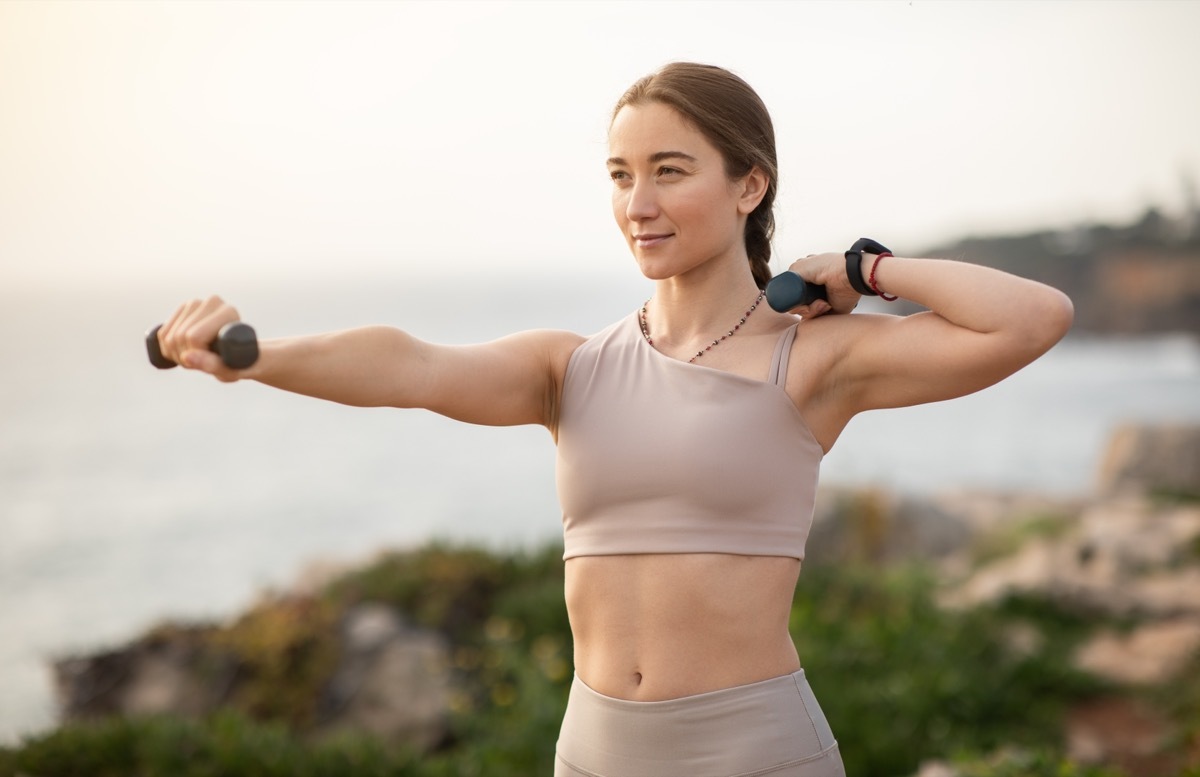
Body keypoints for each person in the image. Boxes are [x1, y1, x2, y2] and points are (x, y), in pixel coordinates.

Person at [155, 62, 1074, 777]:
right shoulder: (572, 366)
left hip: (751, 750)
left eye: (670, 172)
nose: (639, 205)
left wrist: (867, 270)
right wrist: (256, 357)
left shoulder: (817, 360)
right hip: (592, 750)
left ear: (749, 186)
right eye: (621, 175)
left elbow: (1034, 318)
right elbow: (412, 366)